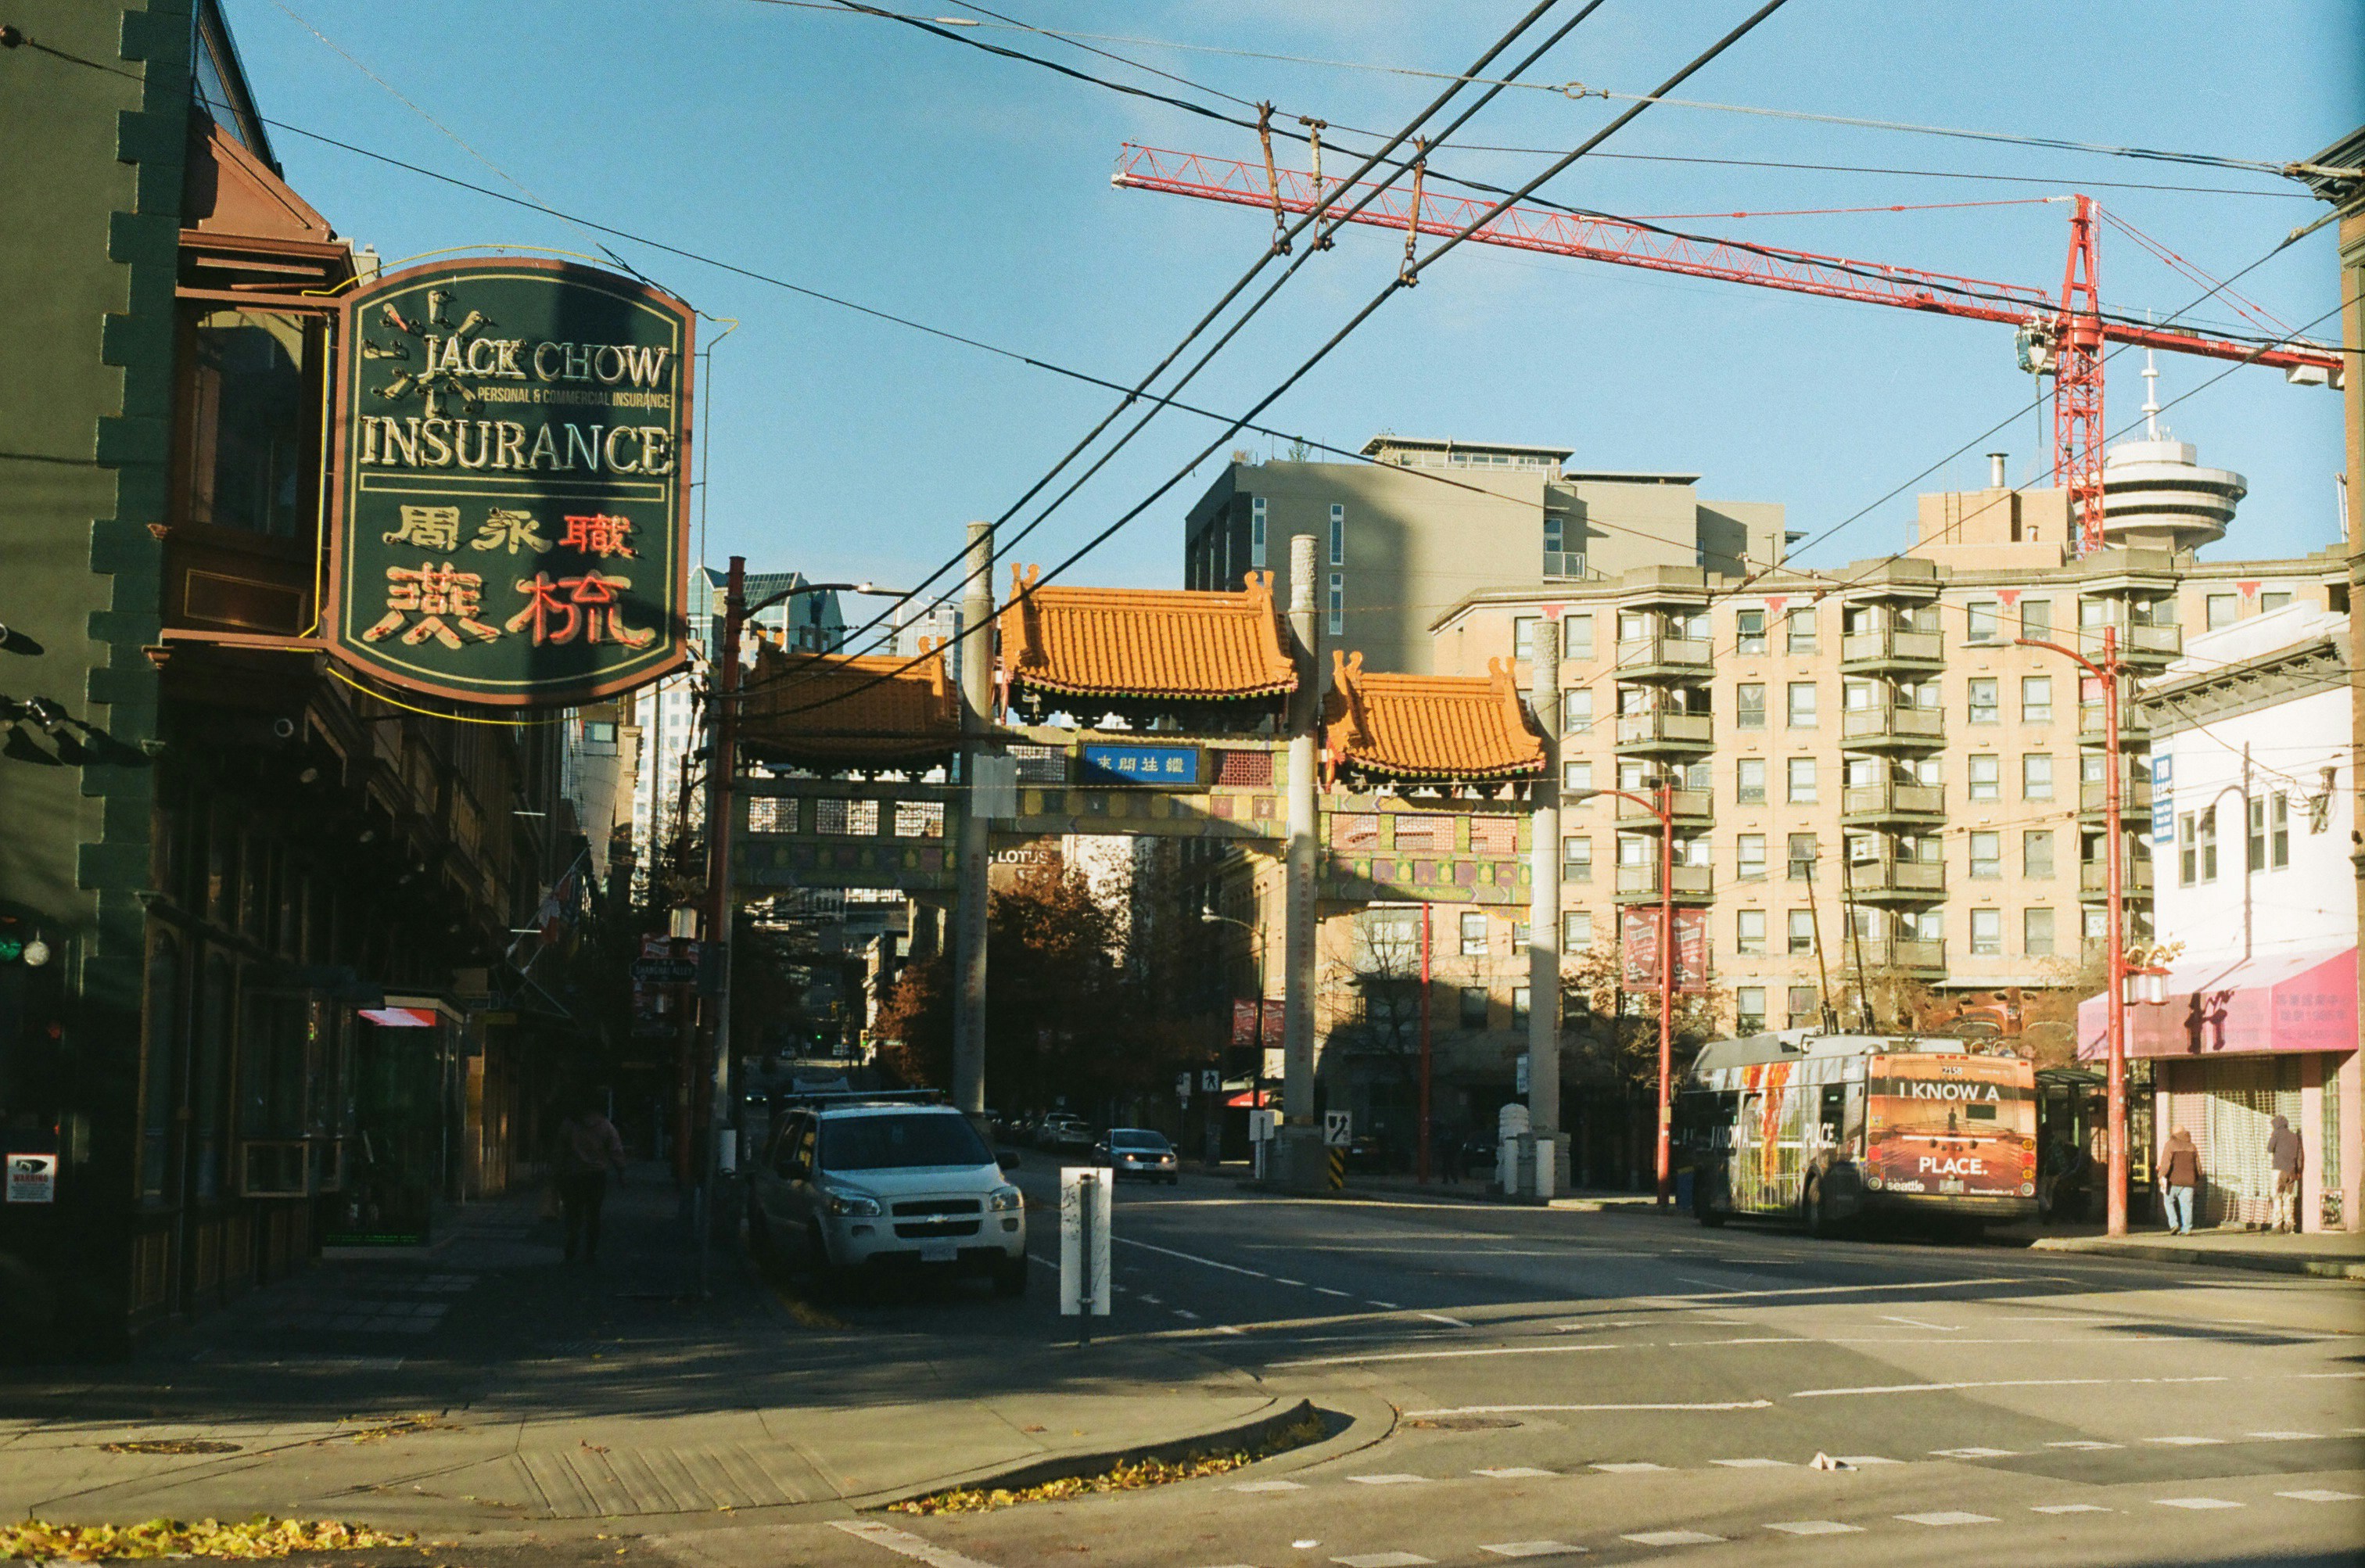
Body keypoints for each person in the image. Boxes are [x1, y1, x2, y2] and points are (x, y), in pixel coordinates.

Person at [557, 1091, 626, 1262]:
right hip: (596, 1176)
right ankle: (590, 1251)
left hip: (573, 1175)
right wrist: (621, 1173)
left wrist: (556, 1171)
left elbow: (559, 1150)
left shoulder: (570, 1124)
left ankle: (571, 1245)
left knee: (573, 1212)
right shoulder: (605, 1126)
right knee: (594, 1214)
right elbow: (616, 1151)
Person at [2159, 1127, 2199, 1236]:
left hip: (2174, 1180)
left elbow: (2166, 1164)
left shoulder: (2170, 1144)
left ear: (2173, 1133)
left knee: (2168, 1201)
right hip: (2189, 1181)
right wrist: (2197, 1178)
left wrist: (2161, 1176)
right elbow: (2198, 1166)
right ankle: (2187, 1229)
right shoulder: (2192, 1146)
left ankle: (2174, 1224)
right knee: (2187, 1205)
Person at [2267, 1114, 2304, 1233]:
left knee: (2277, 1196)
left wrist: (2273, 1138)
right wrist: (2298, 1171)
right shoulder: (2294, 1137)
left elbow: (2270, 1148)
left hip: (2279, 1170)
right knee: (2288, 1198)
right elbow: (2300, 1156)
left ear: (2277, 1125)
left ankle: (2277, 1226)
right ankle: (2289, 1225)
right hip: (2292, 1171)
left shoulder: (2277, 1133)